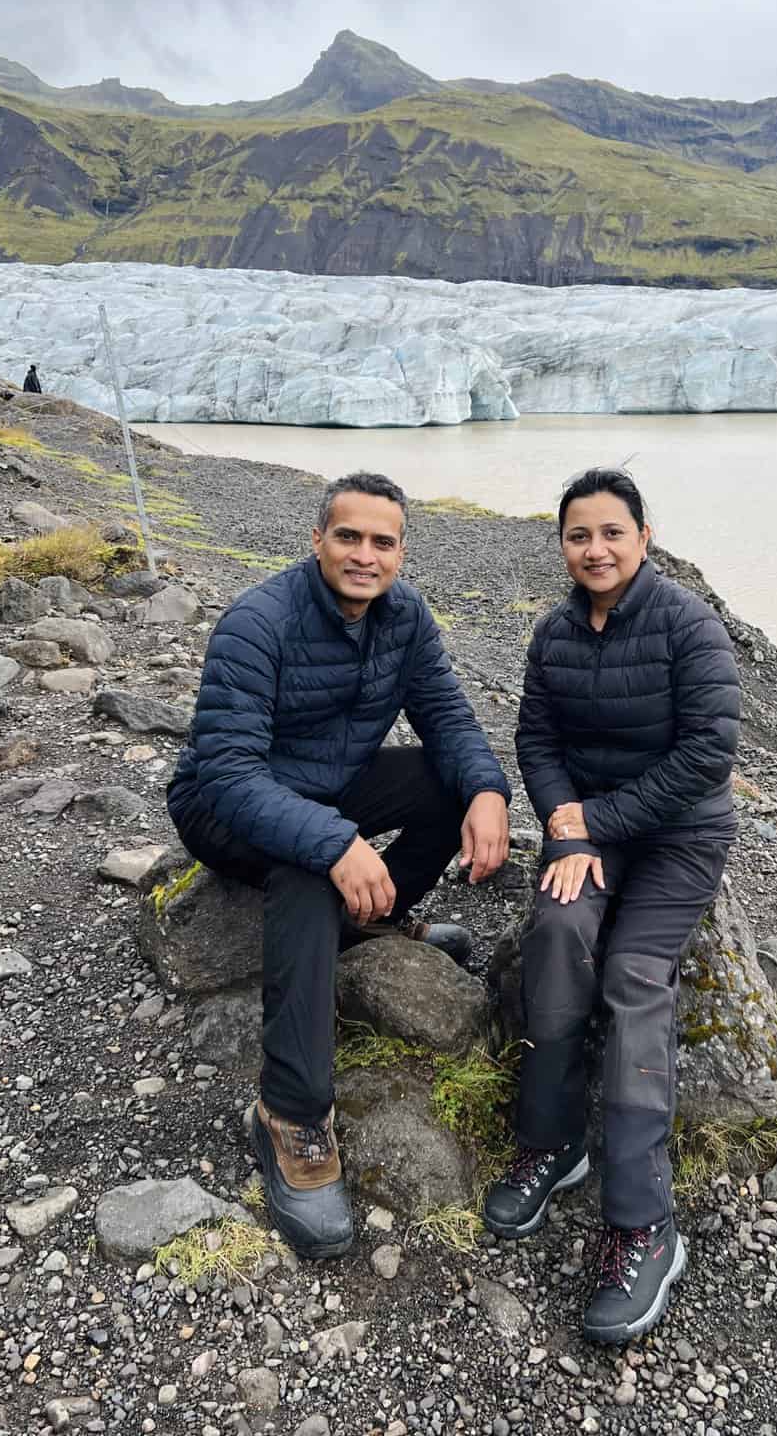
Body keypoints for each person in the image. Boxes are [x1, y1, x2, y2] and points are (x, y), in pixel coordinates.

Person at [168, 471, 511, 1259]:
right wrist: (334, 843)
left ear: (400, 553)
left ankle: (374, 923)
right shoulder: (258, 623)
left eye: (382, 542)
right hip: (225, 807)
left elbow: (448, 717)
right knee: (306, 870)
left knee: (441, 780)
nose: (365, 555)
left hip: (326, 787)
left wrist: (488, 792)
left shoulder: (406, 618)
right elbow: (226, 772)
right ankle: (290, 1113)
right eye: (348, 536)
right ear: (316, 539)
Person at [482, 467, 741, 1344]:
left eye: (611, 533)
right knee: (558, 935)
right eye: (578, 535)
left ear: (643, 537)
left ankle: (643, 1221)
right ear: (563, 545)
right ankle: (553, 1142)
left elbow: (709, 752)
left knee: (634, 973)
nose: (595, 550)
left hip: (677, 836)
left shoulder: (687, 624)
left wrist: (595, 819)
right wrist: (570, 829)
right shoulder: (554, 633)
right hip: (591, 831)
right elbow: (536, 737)